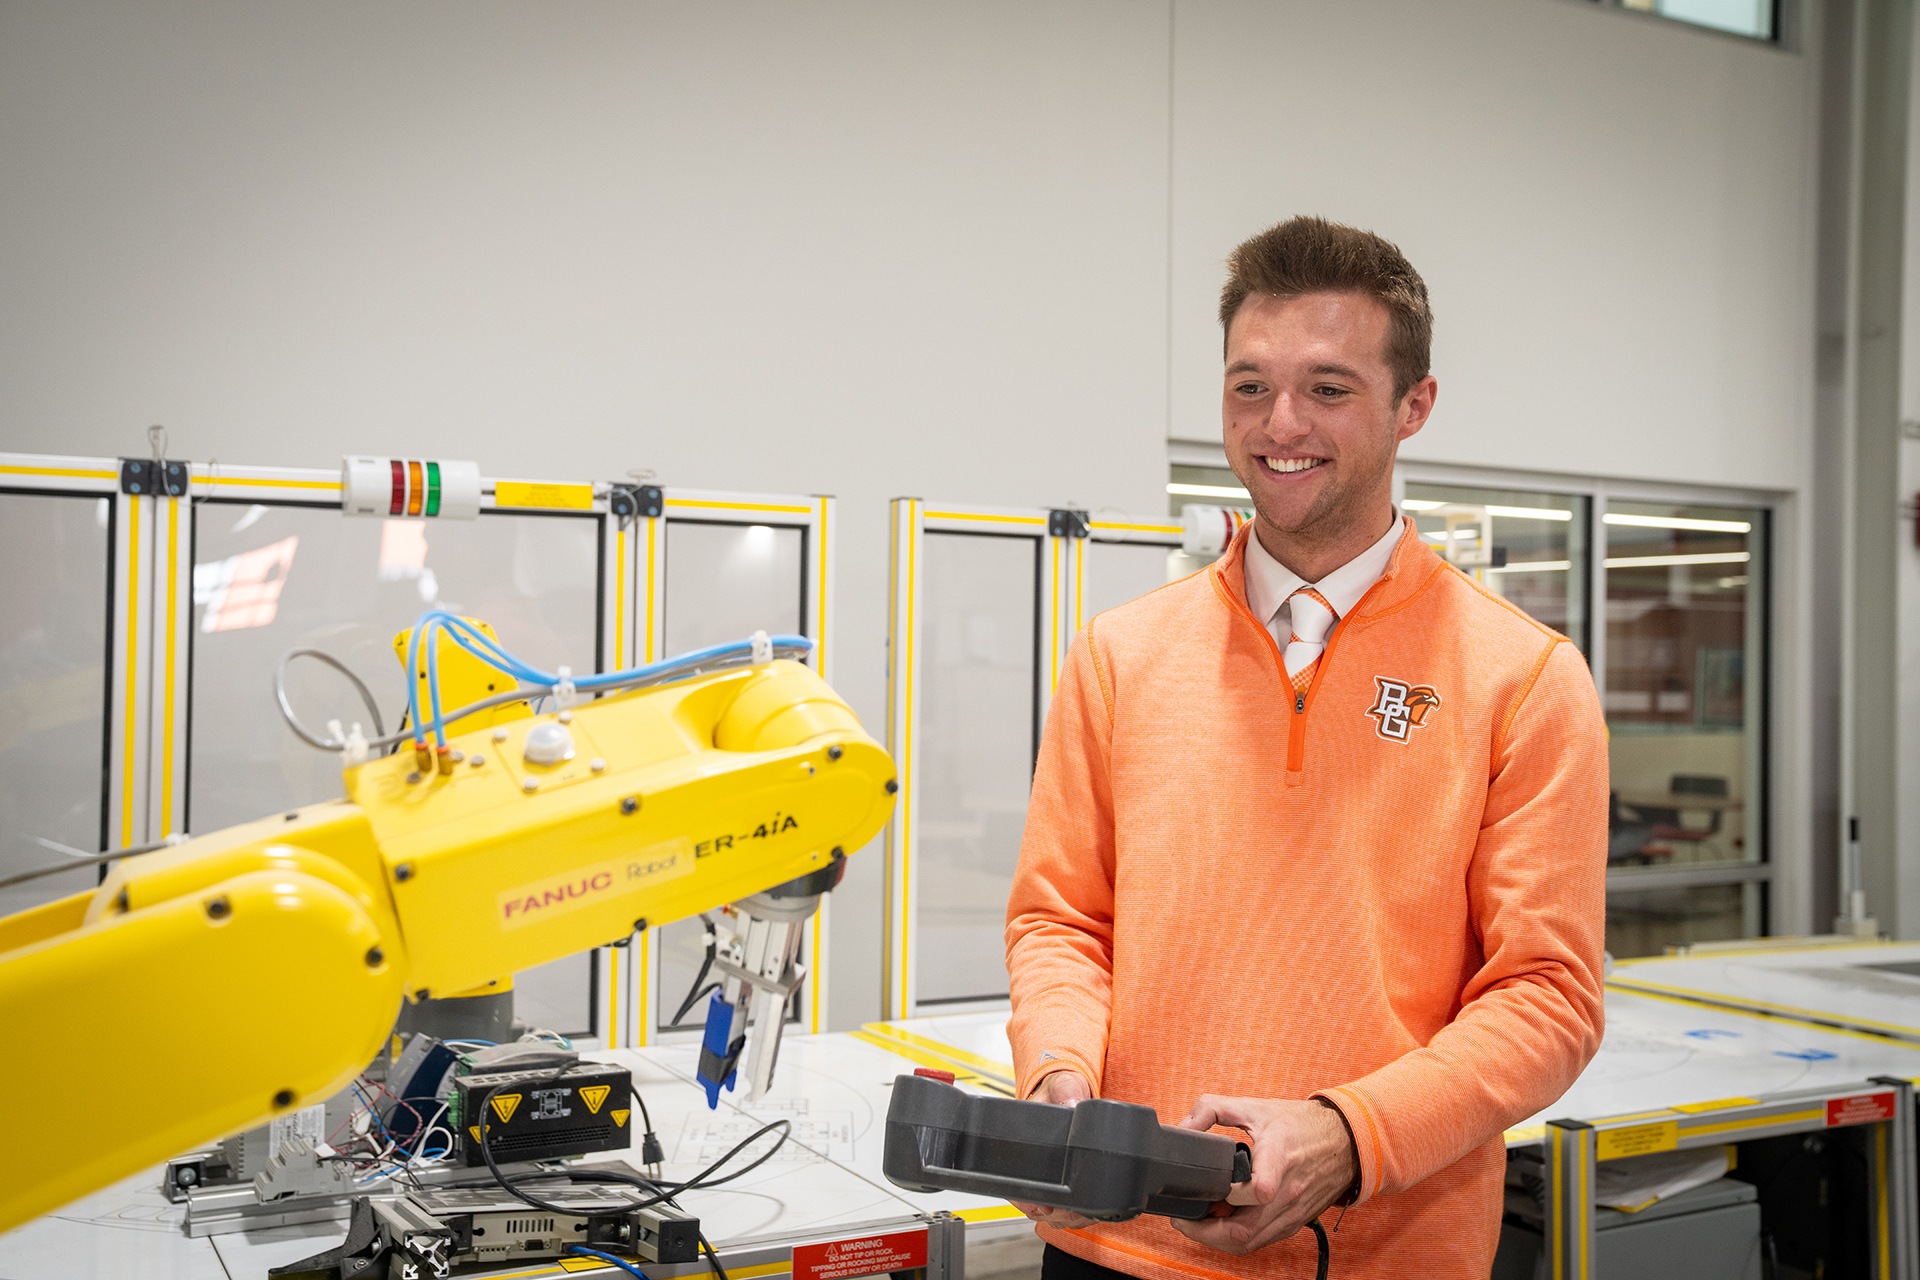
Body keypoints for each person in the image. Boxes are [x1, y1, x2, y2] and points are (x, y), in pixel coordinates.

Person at [1004, 215, 1608, 1279]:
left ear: (1413, 404)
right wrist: (1058, 1073)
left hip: (1378, 1252)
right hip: (1117, 1243)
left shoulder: (1524, 676)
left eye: (1329, 388)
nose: (1281, 423)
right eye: (1250, 386)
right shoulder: (1118, 654)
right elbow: (1062, 918)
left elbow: (1547, 996)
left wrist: (1347, 1132)